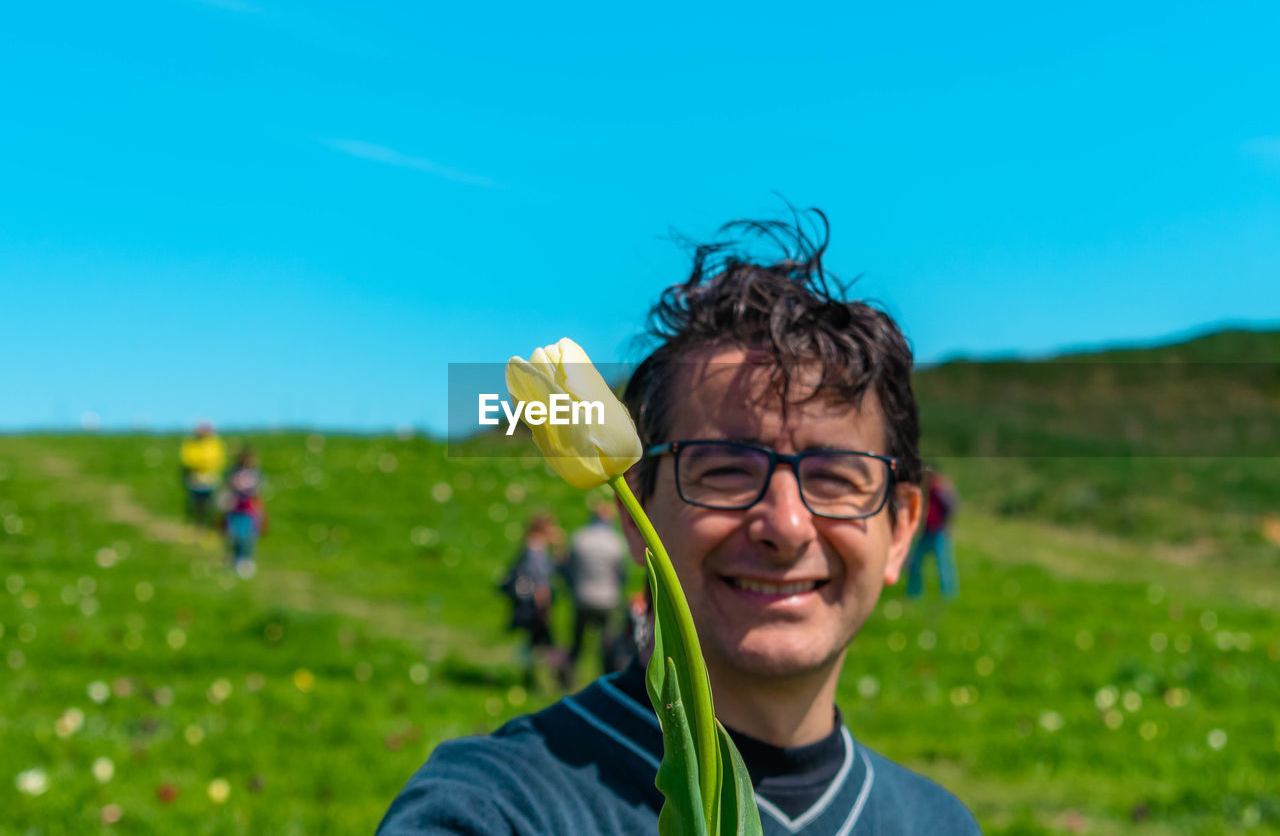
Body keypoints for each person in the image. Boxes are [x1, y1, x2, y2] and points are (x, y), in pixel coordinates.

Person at [380, 210, 980, 834]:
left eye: (835, 476)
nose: (786, 525)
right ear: (635, 511)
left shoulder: (940, 823)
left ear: (904, 528)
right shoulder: (497, 805)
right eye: (724, 469)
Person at [562, 501, 629, 686]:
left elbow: (569, 568)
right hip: (607, 599)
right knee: (606, 645)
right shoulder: (616, 542)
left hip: (582, 598)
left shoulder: (580, 538)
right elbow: (621, 573)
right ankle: (606, 681)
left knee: (576, 642)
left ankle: (567, 680)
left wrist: (572, 588)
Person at [500, 512, 564, 689]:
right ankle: (547, 679)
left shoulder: (536, 546)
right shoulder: (535, 547)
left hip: (534, 602)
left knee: (536, 641)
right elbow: (539, 577)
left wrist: (558, 546)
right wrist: (543, 604)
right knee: (544, 640)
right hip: (536, 603)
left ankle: (534, 677)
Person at [905, 467, 959, 599]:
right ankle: (914, 594)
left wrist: (945, 524)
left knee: (943, 565)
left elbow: (952, 507)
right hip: (926, 532)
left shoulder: (939, 490)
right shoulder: (927, 490)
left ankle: (948, 595)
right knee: (915, 563)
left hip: (938, 532)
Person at [222, 448, 267, 579]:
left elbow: (257, 490)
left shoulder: (256, 474)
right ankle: (235, 560)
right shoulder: (233, 473)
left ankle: (246, 561)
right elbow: (231, 486)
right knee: (235, 536)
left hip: (249, 510)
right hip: (235, 509)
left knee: (249, 537)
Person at [179, 422, 226, 528]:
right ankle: (197, 524)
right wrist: (203, 463)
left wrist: (201, 463)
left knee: (212, 504)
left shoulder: (215, 443)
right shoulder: (191, 443)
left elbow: (217, 460)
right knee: (197, 503)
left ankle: (210, 524)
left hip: (211, 478)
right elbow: (187, 459)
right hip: (195, 479)